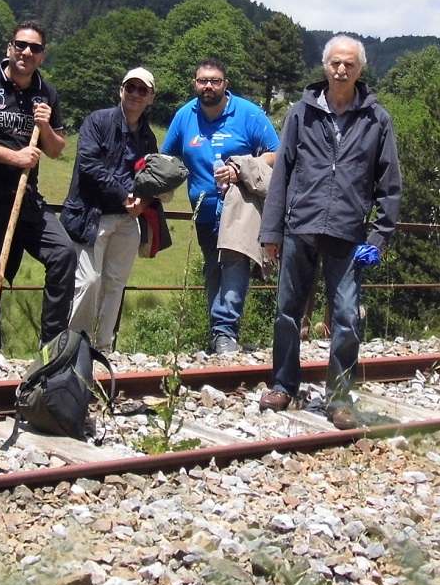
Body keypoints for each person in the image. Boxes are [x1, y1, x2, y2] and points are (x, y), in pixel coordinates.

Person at [259, 35, 401, 429]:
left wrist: (379, 237)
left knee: (346, 319)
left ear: (360, 70)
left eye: (349, 65)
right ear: (325, 66)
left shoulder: (377, 119)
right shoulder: (300, 114)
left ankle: (339, 399)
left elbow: (389, 185)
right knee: (287, 313)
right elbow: (282, 173)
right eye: (336, 63)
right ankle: (284, 385)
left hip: (347, 234)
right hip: (299, 227)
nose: (342, 70)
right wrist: (271, 231)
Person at [0, 19, 77, 354]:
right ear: (10, 48)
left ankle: (50, 346)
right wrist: (13, 157)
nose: (26, 52)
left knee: (63, 253)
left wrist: (44, 125)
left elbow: (56, 148)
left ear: (42, 55)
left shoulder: (46, 93)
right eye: (20, 45)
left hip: (26, 196)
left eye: (34, 48)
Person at [161, 58, 279, 354]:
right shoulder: (184, 116)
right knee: (214, 271)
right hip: (203, 211)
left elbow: (276, 153)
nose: (208, 86)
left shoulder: (248, 114)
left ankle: (226, 332)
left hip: (240, 210)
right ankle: (219, 335)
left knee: (235, 265)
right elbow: (168, 158)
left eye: (215, 81)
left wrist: (241, 169)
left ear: (225, 84)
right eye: (203, 81)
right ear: (195, 84)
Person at [62, 67, 159, 350]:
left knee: (115, 285)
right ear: (121, 90)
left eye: (143, 90)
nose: (135, 94)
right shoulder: (98, 121)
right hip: (92, 216)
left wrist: (144, 199)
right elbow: (88, 164)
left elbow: (151, 176)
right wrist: (123, 193)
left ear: (151, 97)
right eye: (131, 88)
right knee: (90, 281)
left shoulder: (147, 136)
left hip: (127, 219)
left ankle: (103, 348)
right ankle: (75, 347)